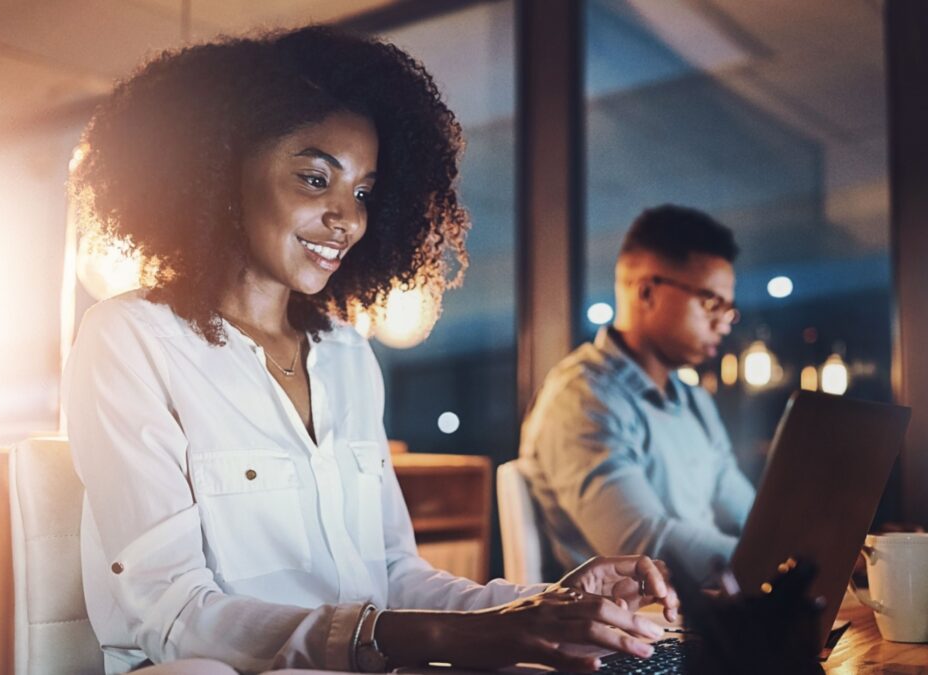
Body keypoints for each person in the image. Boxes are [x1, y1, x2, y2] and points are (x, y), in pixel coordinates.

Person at [64, 27, 678, 675]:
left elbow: (391, 573)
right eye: (314, 178)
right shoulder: (130, 338)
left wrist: (548, 603)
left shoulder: (346, 356)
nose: (348, 219)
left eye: (362, 192)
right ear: (217, 171)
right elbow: (176, 613)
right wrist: (429, 640)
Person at [518, 205, 755, 583]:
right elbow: (645, 545)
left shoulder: (693, 400)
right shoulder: (582, 398)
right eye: (711, 303)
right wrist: (775, 560)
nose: (722, 324)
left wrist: (808, 550)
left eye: (728, 309)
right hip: (627, 628)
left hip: (704, 612)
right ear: (646, 292)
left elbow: (747, 514)